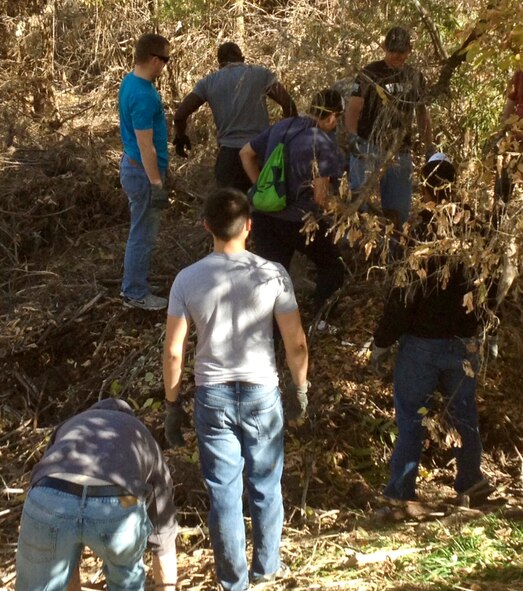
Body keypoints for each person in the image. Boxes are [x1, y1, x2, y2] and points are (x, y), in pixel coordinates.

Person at [163, 188, 309, 591]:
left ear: (206, 225)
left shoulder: (187, 279)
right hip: (263, 392)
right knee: (265, 484)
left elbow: (175, 352)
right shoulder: (273, 273)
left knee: (224, 494)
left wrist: (171, 405)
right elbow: (296, 342)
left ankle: (234, 582)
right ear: (249, 225)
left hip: (213, 396)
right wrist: (301, 390)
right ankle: (266, 570)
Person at [371, 155, 494, 504]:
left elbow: (402, 294)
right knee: (464, 412)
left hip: (422, 345)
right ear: (455, 185)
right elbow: (490, 283)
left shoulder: (418, 229)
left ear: (425, 186)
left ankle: (401, 492)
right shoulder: (476, 228)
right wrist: (487, 327)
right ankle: (471, 480)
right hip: (464, 343)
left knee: (411, 417)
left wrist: (382, 341)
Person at [15, 398, 178, 591]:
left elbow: (43, 476)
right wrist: (165, 587)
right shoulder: (139, 432)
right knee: (125, 581)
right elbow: (163, 527)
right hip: (119, 501)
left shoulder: (71, 424)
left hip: (50, 496)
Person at [240, 89, 345, 323]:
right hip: (299, 221)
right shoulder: (322, 143)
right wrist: (345, 211)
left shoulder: (283, 126)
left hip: (265, 217)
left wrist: (263, 188)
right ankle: (322, 321)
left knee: (272, 277)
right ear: (332, 117)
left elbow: (245, 153)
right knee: (333, 266)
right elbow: (321, 198)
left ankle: (268, 331)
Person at [173, 41, 297, 192]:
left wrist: (180, 137)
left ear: (219, 64)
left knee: (231, 211)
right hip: (260, 152)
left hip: (229, 157)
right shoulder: (260, 74)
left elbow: (179, 116)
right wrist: (288, 139)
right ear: (242, 58)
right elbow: (288, 104)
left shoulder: (209, 82)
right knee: (266, 205)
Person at [345, 26, 434, 229]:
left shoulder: (415, 77)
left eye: (402, 51)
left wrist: (429, 145)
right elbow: (353, 108)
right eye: (393, 50)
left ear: (410, 50)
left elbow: (422, 114)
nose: (397, 56)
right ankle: (355, 249)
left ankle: (392, 251)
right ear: (385, 47)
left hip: (400, 150)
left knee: (399, 209)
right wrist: (352, 137)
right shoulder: (369, 73)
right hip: (368, 146)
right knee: (360, 202)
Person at [119, 33, 171, 311]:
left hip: (134, 167)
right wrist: (156, 183)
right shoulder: (142, 95)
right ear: (154, 59)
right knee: (142, 234)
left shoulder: (130, 82)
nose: (165, 66)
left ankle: (136, 284)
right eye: (165, 60)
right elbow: (145, 145)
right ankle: (135, 293)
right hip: (142, 173)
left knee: (141, 231)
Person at [494, 67, 523, 204]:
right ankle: (498, 218)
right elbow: (510, 104)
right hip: (516, 139)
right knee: (503, 183)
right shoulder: (520, 71)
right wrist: (501, 134)